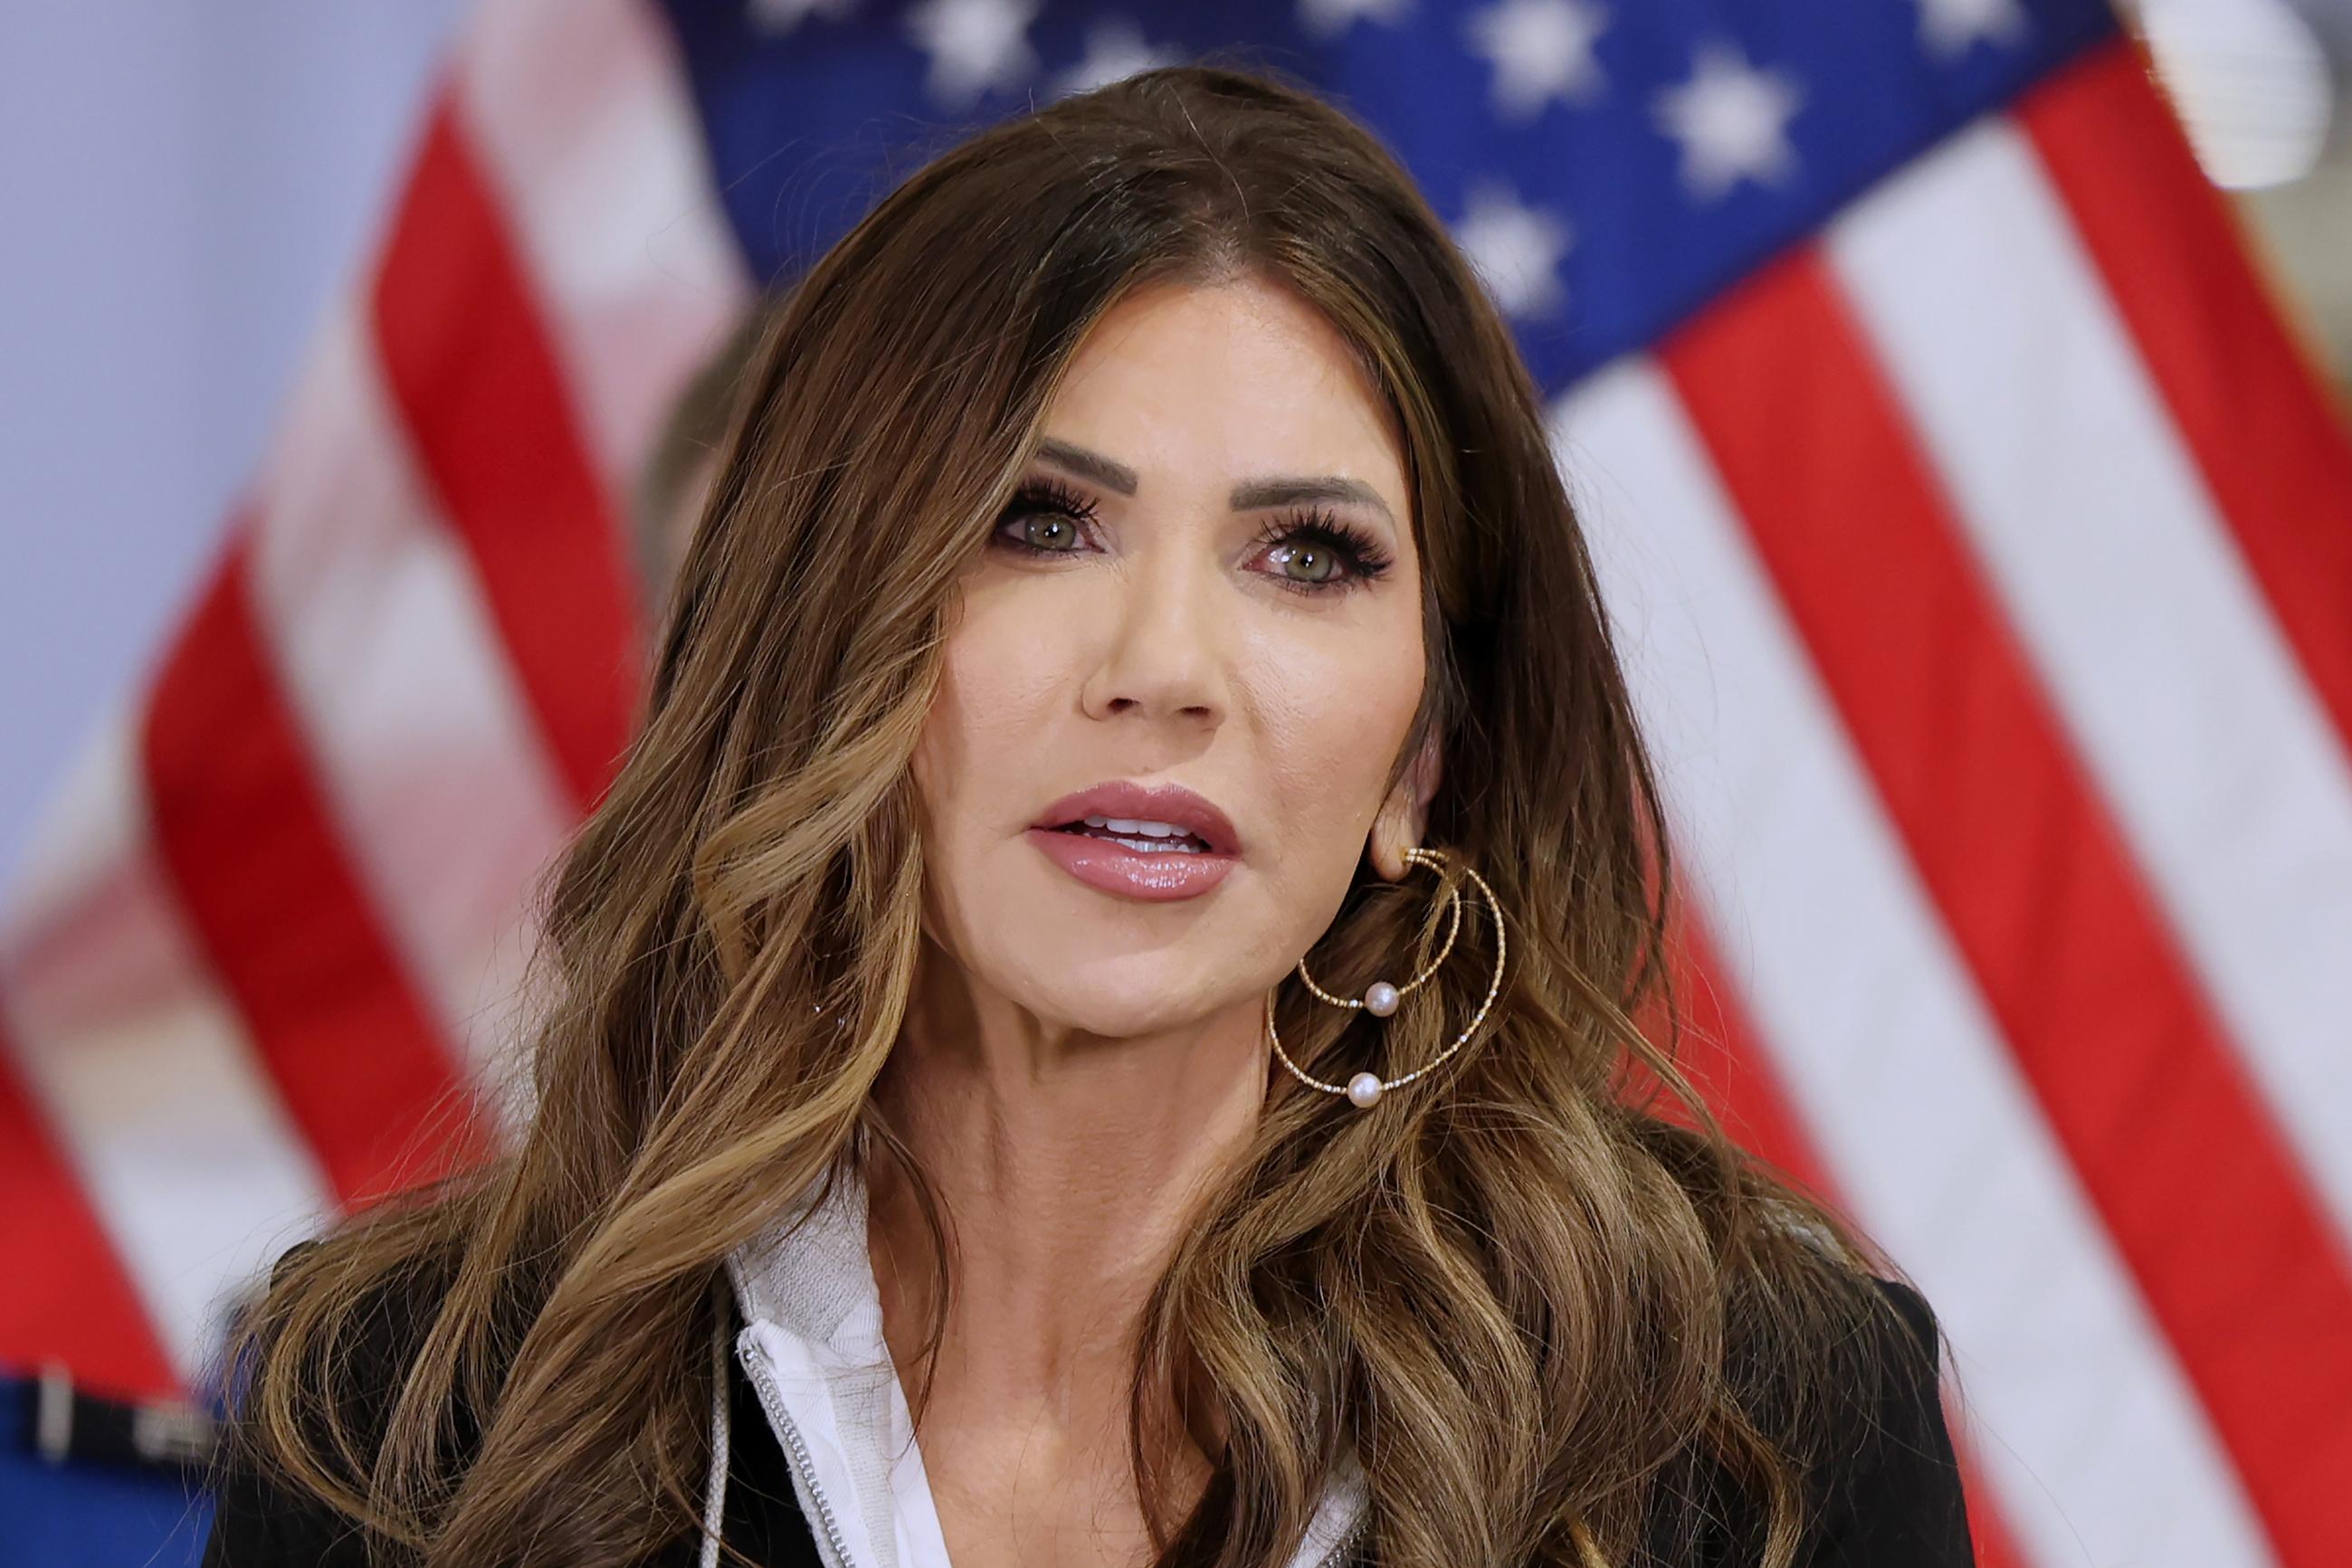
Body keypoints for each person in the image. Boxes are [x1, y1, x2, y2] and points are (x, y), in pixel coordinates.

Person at [199, 61, 1975, 1568]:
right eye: (1041, 521)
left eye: (1308, 556)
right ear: (836, 644)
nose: (1165, 664)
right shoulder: (403, 1412)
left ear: (1421, 760)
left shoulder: (1750, 1414)